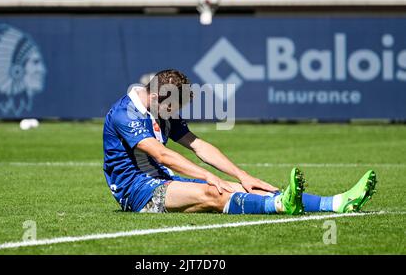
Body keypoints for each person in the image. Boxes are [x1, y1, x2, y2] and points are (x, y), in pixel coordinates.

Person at [102, 69, 377, 214]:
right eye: (174, 109)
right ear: (156, 97)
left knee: (239, 187)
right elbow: (163, 155)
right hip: (137, 193)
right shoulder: (125, 114)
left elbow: (198, 145)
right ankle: (281, 206)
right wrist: (209, 177)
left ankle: (336, 203)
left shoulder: (162, 106)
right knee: (214, 193)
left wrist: (241, 174)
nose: (176, 115)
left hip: (163, 179)